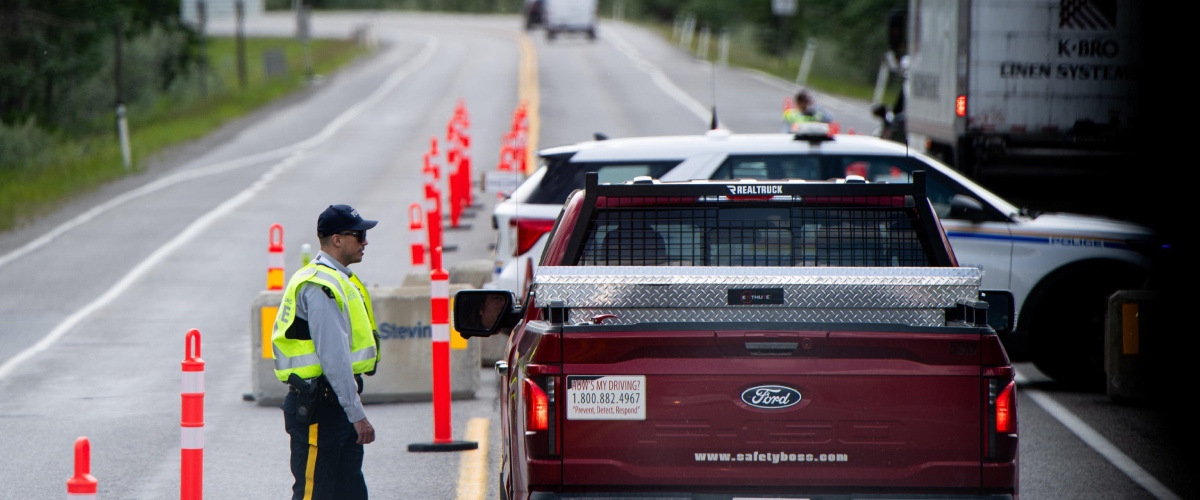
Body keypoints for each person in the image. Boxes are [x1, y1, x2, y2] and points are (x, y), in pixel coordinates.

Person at [272, 203, 382, 500]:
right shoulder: (321, 286)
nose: (365, 241)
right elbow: (334, 357)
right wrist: (356, 414)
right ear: (337, 239)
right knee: (315, 494)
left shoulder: (339, 279)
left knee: (350, 493)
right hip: (319, 408)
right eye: (359, 235)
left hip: (333, 405)